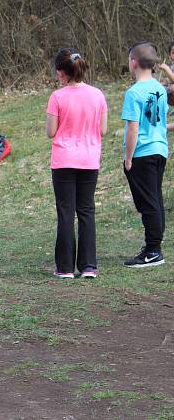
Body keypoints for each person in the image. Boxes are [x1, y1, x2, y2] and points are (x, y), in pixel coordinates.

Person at [45, 49, 107, 279]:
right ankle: (89, 266)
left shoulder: (57, 97)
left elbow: (51, 132)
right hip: (89, 160)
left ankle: (65, 268)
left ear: (62, 73)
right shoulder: (98, 95)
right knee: (86, 211)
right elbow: (103, 129)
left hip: (64, 161)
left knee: (65, 212)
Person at [122, 42, 168, 268]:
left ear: (133, 63)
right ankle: (154, 245)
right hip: (161, 151)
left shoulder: (133, 93)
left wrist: (128, 157)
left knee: (148, 203)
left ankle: (153, 250)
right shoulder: (160, 88)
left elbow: (133, 128)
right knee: (156, 200)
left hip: (142, 153)